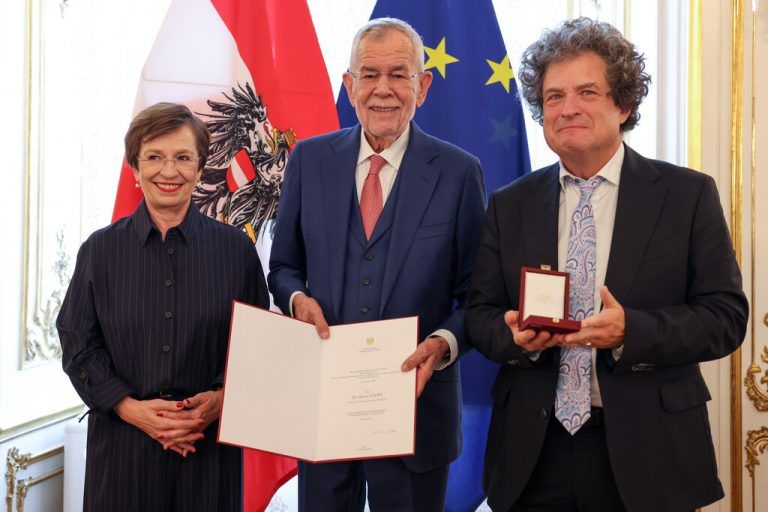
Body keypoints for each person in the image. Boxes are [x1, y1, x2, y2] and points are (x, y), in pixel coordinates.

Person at [466, 17, 749, 512]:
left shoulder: (686, 195)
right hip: (533, 454)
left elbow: (725, 318)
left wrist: (630, 331)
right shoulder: (508, 204)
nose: (568, 107)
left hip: (650, 454)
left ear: (624, 104)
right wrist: (511, 335)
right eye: (553, 96)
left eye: (587, 92)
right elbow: (480, 314)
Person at [268, 17, 486, 512]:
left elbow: (478, 293)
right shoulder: (308, 160)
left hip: (415, 417)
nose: (382, 89)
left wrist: (442, 344)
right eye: (368, 74)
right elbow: (282, 268)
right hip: (324, 410)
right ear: (349, 85)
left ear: (422, 86)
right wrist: (297, 299)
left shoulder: (459, 173)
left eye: (398, 74)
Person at [57, 102, 268, 511]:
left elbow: (260, 349)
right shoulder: (99, 250)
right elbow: (78, 343)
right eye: (154, 157)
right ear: (134, 168)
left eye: (183, 157)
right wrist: (132, 409)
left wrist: (222, 400)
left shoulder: (236, 251)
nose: (168, 171)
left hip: (208, 456)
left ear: (201, 167)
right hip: (122, 456)